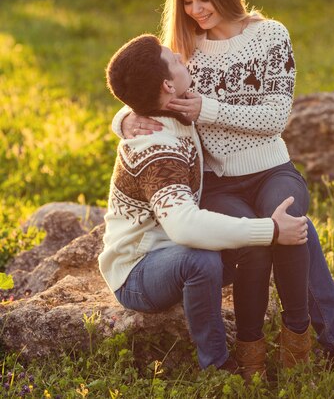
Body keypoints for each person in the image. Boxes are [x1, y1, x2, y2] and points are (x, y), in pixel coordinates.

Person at [114, 0, 334, 373]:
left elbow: (275, 117)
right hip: (220, 181)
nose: (196, 10)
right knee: (265, 237)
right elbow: (142, 86)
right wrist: (124, 118)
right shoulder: (184, 49)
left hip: (272, 168)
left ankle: (315, 340)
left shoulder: (271, 36)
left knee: (295, 227)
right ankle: (252, 351)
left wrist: (205, 109)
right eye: (187, 2)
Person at [99, 33, 310, 377]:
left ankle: (254, 346)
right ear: (168, 85)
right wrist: (270, 229)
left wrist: (121, 118)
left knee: (248, 246)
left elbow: (139, 93)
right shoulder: (154, 148)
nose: (183, 58)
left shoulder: (171, 109)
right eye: (174, 59)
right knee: (201, 259)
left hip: (172, 253)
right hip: (138, 272)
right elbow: (184, 227)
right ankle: (218, 365)